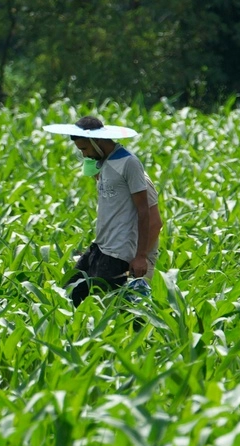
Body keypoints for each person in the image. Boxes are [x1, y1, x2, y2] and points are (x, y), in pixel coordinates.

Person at [43, 116, 163, 307]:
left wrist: (141, 256)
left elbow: (145, 213)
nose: (84, 155)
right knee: (69, 295)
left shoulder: (129, 163)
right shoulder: (104, 163)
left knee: (111, 309)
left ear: (97, 141)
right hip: (101, 247)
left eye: (84, 149)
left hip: (120, 253)